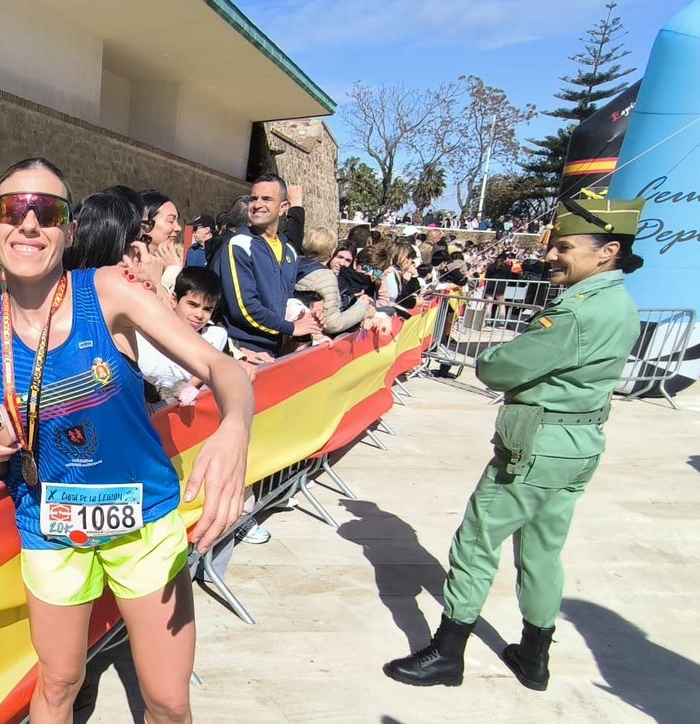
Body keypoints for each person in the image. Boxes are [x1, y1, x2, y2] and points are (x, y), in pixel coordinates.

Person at [0, 158, 254, 724]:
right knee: (59, 680)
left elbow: (228, 375)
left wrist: (233, 433)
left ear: (67, 227)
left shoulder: (109, 292)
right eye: (14, 208)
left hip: (144, 526)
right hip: (51, 528)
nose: (29, 222)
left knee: (167, 695)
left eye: (47, 210)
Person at [384, 198, 646, 691]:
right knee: (544, 549)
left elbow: (499, 367)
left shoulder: (576, 312)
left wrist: (498, 355)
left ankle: (447, 653)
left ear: (608, 251)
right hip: (579, 443)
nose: (551, 255)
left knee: (477, 540)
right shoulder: (621, 302)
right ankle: (533, 654)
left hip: (538, 446)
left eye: (565, 247)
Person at [212, 175, 321, 355]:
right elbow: (244, 308)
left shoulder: (289, 251)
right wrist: (292, 328)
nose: (257, 204)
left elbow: (283, 300)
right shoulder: (239, 245)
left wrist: (307, 316)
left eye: (267, 199)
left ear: (283, 207)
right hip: (244, 349)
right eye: (254, 198)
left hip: (274, 350)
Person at [134, 265, 232, 403]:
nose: (199, 315)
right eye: (193, 305)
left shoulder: (216, 336)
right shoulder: (143, 333)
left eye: (207, 309)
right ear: (174, 300)